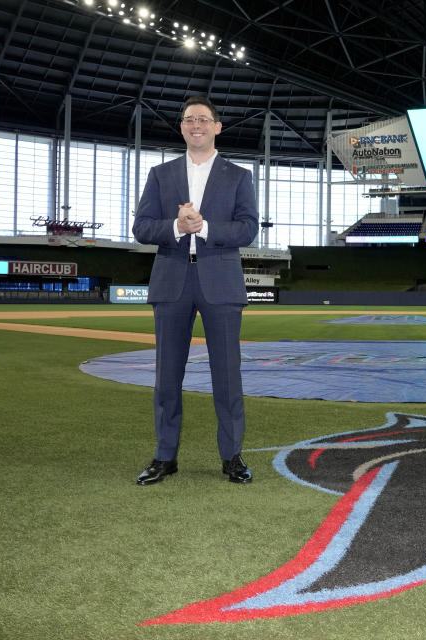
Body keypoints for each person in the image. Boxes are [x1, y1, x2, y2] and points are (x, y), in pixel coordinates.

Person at [132, 96, 258, 485]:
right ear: (182, 127)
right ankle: (164, 456)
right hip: (172, 282)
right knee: (167, 376)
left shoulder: (238, 176)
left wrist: (202, 228)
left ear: (217, 127)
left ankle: (231, 456)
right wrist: (176, 226)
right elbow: (141, 228)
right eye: (189, 119)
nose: (196, 124)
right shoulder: (160, 174)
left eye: (204, 119)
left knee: (227, 375)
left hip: (220, 284)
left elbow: (247, 228)